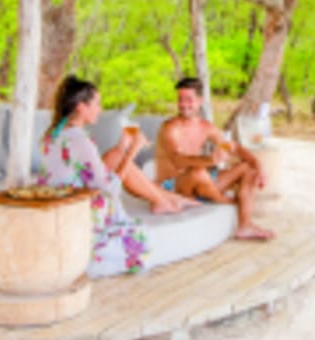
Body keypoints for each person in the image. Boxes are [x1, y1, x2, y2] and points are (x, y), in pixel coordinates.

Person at [38, 75, 199, 275]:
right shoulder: (80, 141)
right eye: (97, 104)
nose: (101, 109)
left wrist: (123, 146)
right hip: (77, 211)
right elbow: (109, 190)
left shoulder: (54, 133)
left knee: (114, 157)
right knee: (122, 163)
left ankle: (165, 199)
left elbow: (84, 173)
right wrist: (133, 151)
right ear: (81, 107)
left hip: (63, 200)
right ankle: (165, 199)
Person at [155, 76, 275, 241]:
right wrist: (210, 161)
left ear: (200, 101)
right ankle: (226, 200)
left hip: (202, 182)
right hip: (175, 185)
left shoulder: (205, 127)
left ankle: (244, 226)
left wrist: (258, 166)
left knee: (248, 168)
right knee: (198, 172)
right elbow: (177, 159)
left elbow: (234, 148)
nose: (183, 104)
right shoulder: (170, 128)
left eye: (189, 100)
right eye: (180, 99)